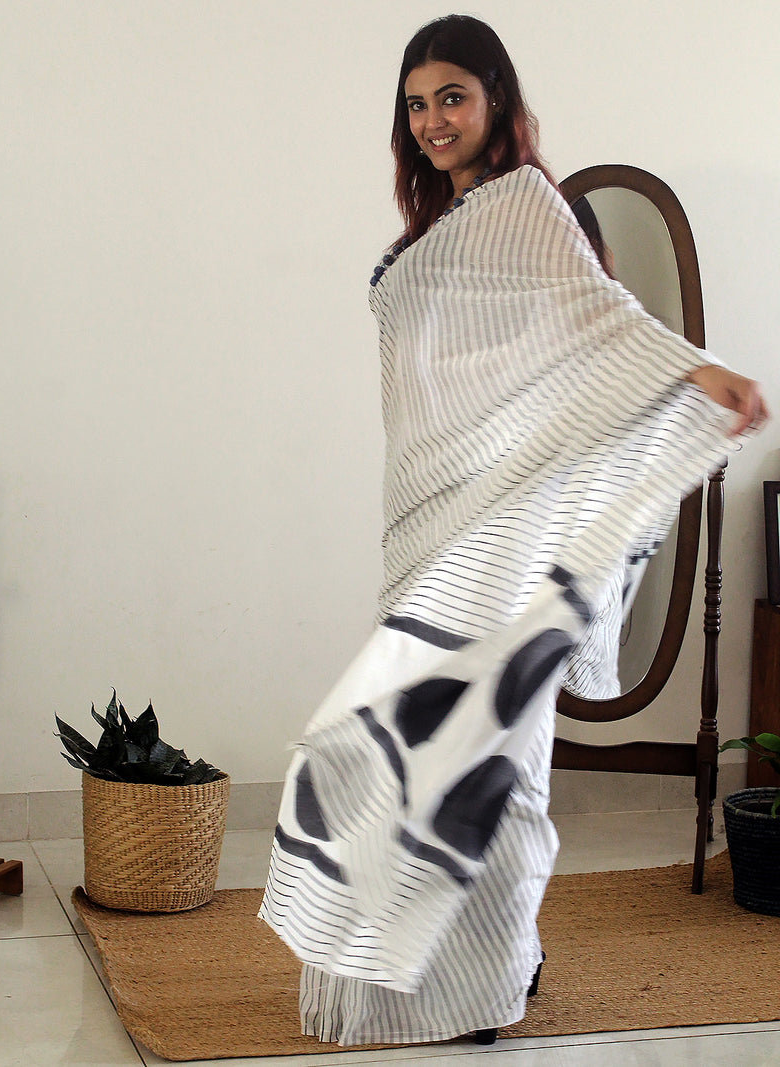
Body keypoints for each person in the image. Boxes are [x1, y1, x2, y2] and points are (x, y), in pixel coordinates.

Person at [259, 14, 767, 1048]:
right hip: (428, 517)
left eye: (451, 95)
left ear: (495, 97)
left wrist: (698, 373)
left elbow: (602, 318)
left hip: (500, 535)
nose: (432, 120)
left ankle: (491, 978)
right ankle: (436, 972)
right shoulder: (433, 231)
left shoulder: (527, 204)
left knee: (499, 761)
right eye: (416, 103)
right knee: (415, 749)